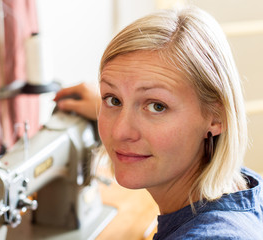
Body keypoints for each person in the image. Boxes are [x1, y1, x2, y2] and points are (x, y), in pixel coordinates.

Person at [54, 6, 263, 240]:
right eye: (113, 100)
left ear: (217, 118)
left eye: (157, 106)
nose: (120, 131)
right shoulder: (241, 188)